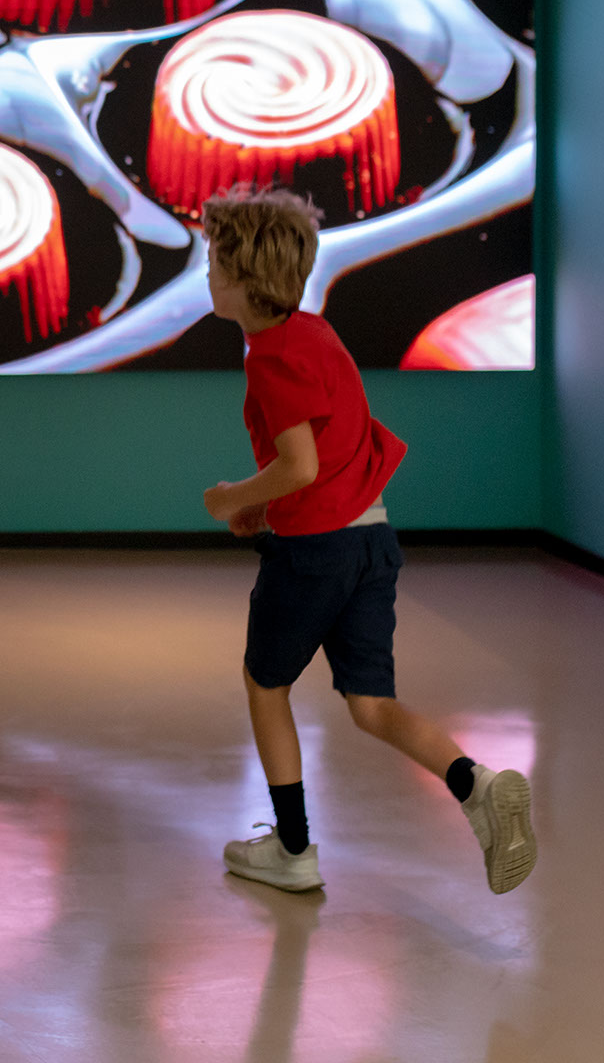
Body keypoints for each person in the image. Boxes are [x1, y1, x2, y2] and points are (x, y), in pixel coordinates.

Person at [198, 187, 536, 896]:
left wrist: (233, 496)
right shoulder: (315, 334)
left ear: (244, 280)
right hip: (369, 542)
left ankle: (292, 851)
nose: (207, 273)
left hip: (314, 555)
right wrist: (266, 512)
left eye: (214, 262)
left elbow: (300, 465)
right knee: (371, 705)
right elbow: (331, 452)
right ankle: (476, 785)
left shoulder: (269, 359)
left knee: (266, 686)